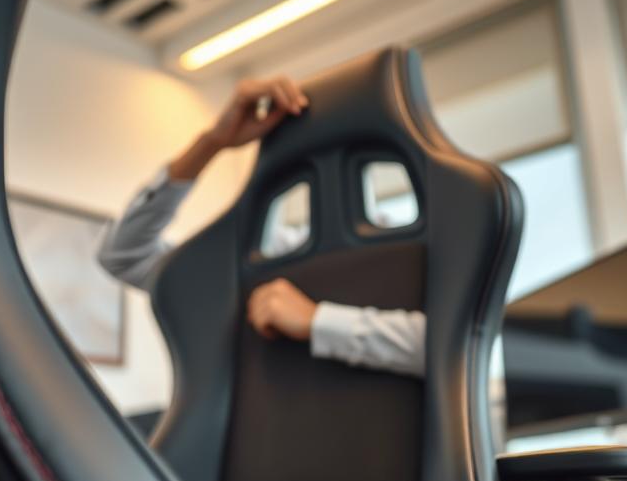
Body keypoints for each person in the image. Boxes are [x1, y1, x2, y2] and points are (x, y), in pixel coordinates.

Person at [97, 77, 426, 377]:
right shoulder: (269, 258)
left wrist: (318, 321)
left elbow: (458, 347)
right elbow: (123, 256)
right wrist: (212, 143)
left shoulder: (429, 254)